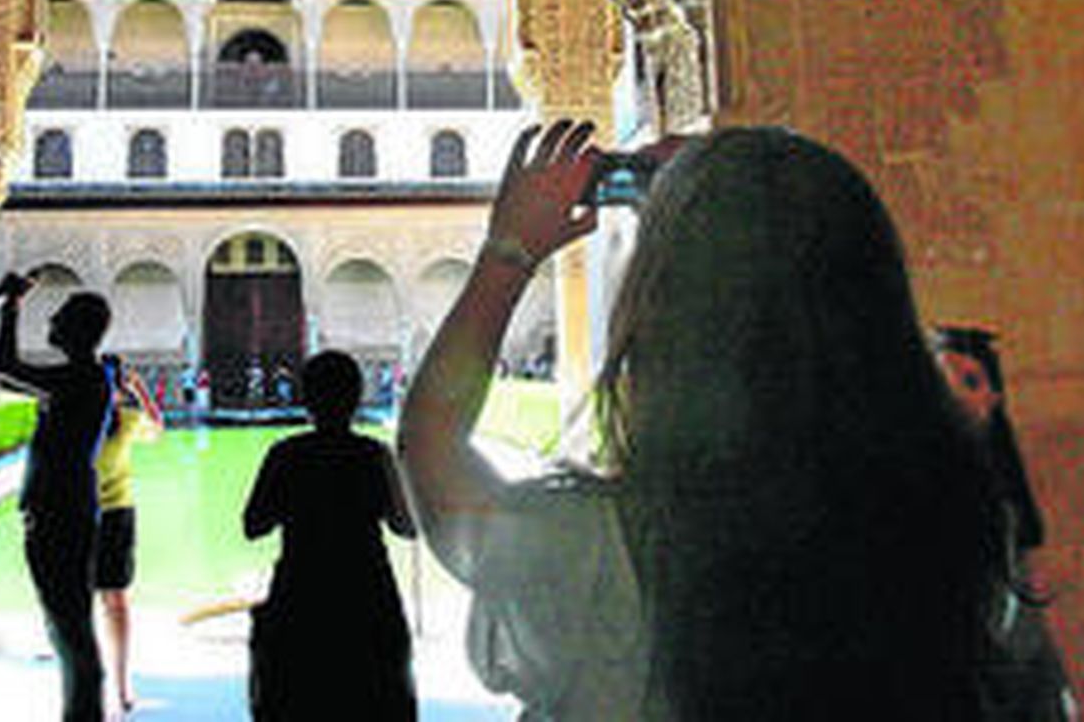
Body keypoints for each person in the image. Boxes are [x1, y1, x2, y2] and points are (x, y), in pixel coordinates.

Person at [399, 121, 1005, 721]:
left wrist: (509, 251)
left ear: (668, 324)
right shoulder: (950, 519)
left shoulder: (593, 556)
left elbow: (431, 443)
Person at [242, 350, 418, 721]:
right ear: (357, 398)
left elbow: (253, 526)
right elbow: (406, 527)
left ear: (306, 399)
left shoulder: (286, 454)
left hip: (301, 592)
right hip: (367, 594)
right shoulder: (374, 455)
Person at [934, 327, 1084, 722]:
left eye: (972, 382)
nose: (959, 396)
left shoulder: (1001, 502)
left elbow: (1033, 593)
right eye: (944, 384)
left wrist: (1074, 695)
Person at [0, 272, 114, 722]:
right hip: (69, 507)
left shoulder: (80, 378)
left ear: (77, 331)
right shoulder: (87, 377)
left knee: (69, 627)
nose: (52, 323)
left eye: (59, 318)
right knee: (69, 625)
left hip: (60, 511)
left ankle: (83, 714)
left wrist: (12, 306)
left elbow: (6, 369)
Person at [94, 354, 165, 716]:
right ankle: (103, 683)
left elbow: (157, 427)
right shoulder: (95, 416)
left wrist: (140, 390)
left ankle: (118, 684)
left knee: (111, 601)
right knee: (100, 603)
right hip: (93, 514)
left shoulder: (124, 420)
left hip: (108, 515)